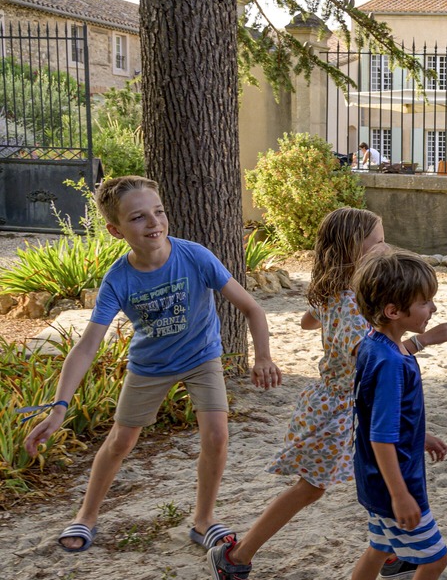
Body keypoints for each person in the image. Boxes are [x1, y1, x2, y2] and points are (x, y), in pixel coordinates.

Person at [206, 208, 447, 580]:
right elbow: (375, 363)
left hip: (347, 405)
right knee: (311, 487)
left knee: (369, 477)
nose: (385, 246)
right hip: (338, 411)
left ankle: (392, 552)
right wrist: (424, 340)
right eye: (377, 241)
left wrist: (325, 320)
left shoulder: (340, 292)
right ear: (349, 249)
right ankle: (235, 558)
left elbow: (310, 321)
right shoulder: (349, 305)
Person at [21, 175, 282, 553]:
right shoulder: (118, 280)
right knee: (121, 441)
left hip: (200, 357)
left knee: (217, 435)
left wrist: (263, 357)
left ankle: (203, 520)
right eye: (138, 217)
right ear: (115, 229)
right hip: (150, 365)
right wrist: (59, 408)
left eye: (158, 212)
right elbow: (87, 345)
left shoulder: (195, 256)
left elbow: (252, 308)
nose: (154, 223)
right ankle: (86, 516)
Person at [326, 250, 447, 580]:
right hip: (395, 483)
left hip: (375, 480)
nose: (432, 307)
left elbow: (386, 417)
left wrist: (419, 436)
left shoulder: (375, 344)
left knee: (379, 547)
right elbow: (381, 434)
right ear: (394, 310)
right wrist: (400, 495)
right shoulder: (392, 365)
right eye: (424, 302)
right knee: (434, 559)